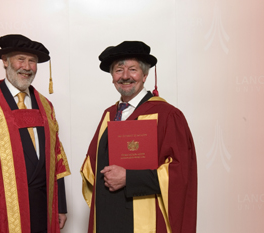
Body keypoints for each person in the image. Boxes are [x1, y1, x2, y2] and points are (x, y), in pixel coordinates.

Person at [0, 34, 71, 233]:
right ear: (5, 61)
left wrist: (60, 206)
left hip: (43, 209)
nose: (26, 67)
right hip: (3, 211)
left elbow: (56, 157)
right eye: (21, 59)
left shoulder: (45, 106)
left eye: (32, 61)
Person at [80, 41, 197, 233]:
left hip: (145, 221)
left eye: (132, 69)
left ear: (145, 75)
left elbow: (180, 173)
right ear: (112, 77)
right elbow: (92, 168)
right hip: (108, 217)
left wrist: (129, 178)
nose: (125, 76)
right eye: (119, 70)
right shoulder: (108, 115)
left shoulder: (167, 115)